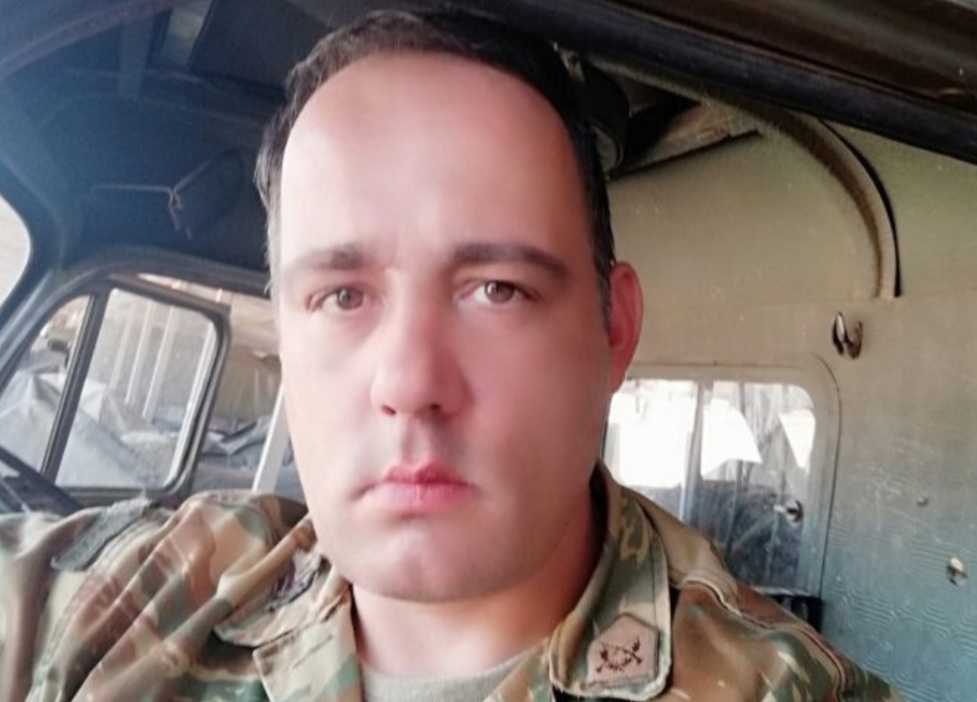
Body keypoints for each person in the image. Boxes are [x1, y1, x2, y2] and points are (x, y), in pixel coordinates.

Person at [0, 9, 902, 702]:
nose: (409, 383)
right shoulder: (127, 598)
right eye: (341, 296)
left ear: (612, 330)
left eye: (496, 289)